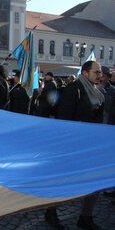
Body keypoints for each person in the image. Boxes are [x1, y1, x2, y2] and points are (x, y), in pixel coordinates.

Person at [46, 61, 105, 230]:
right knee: (63, 180)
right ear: (85, 73)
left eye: (100, 72)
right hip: (73, 144)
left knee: (95, 180)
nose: (100, 75)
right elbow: (64, 118)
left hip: (92, 144)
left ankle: (86, 217)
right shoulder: (74, 89)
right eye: (96, 72)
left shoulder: (97, 91)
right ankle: (51, 212)